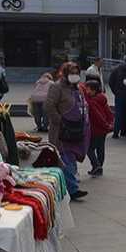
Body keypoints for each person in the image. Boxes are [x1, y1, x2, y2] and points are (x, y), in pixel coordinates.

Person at [44, 62, 89, 201]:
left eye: (77, 73)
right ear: (65, 73)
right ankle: (73, 189)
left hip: (76, 130)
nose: (75, 75)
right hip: (61, 132)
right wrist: (59, 120)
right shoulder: (56, 87)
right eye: (72, 73)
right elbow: (49, 105)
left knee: (71, 158)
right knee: (65, 158)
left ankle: (68, 187)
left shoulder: (78, 88)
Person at [84, 80, 113, 176]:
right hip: (103, 130)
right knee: (100, 148)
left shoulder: (92, 102)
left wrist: (105, 124)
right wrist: (109, 124)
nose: (86, 91)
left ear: (94, 90)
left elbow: (98, 116)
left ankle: (96, 166)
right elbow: (109, 113)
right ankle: (99, 167)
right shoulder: (102, 98)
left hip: (95, 129)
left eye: (88, 89)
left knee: (89, 148)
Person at [108, 54, 126, 139]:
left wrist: (115, 92)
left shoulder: (116, 69)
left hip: (119, 95)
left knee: (118, 114)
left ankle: (116, 133)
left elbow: (110, 82)